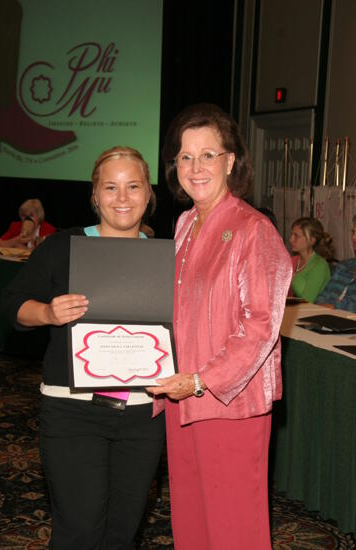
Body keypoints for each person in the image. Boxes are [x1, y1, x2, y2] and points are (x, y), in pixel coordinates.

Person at [2, 147, 165, 549]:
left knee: (121, 535)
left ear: (148, 194)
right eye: (111, 187)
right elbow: (11, 305)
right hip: (73, 410)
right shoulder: (63, 246)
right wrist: (48, 312)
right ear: (95, 195)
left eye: (133, 186)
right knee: (79, 533)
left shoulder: (169, 258)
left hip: (144, 416)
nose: (122, 197)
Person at [148, 103, 292, 549]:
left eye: (208, 155)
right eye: (185, 157)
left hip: (229, 402)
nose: (196, 167)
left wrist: (200, 380)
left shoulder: (254, 229)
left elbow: (260, 327)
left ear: (231, 161)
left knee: (233, 530)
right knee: (190, 523)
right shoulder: (185, 223)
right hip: (181, 397)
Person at [315, 215, 356, 312]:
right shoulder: (344, 266)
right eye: (353, 232)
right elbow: (319, 299)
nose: (354, 238)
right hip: (324, 322)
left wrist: (334, 307)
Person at [289, 217, 334, 303]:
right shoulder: (292, 261)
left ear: (311, 240)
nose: (291, 239)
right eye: (291, 235)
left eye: (296, 236)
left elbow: (307, 301)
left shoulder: (320, 266)